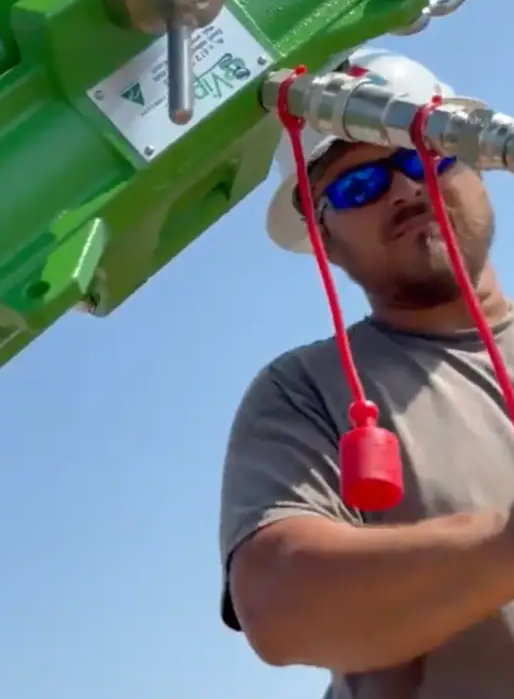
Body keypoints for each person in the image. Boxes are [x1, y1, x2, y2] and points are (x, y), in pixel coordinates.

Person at [218, 48, 514, 699]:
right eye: (358, 185)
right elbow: (280, 606)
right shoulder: (303, 391)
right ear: (323, 239)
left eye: (426, 155)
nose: (408, 187)